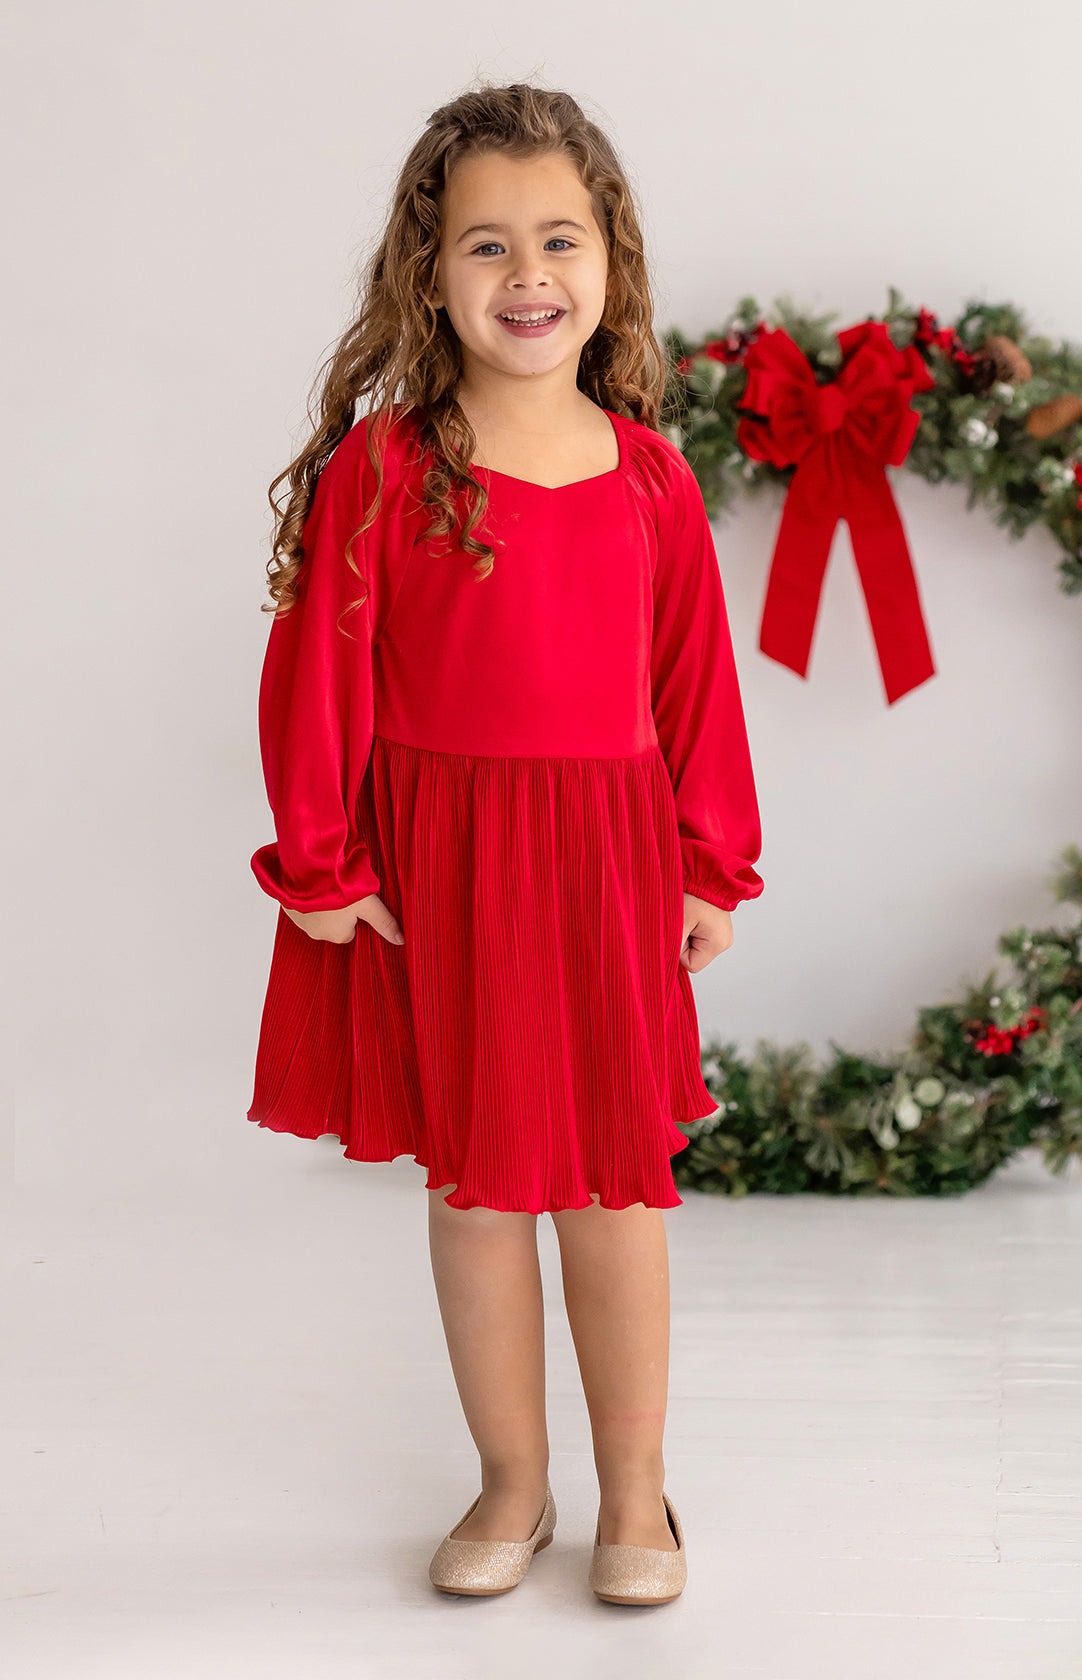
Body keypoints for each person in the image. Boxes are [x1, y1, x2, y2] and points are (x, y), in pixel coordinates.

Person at [246, 81, 764, 1606]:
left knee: (613, 1190)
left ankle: (639, 1498)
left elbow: (695, 682)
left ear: (609, 261)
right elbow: (318, 672)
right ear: (428, 272)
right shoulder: (387, 467)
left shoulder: (650, 475)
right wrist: (322, 863)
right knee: (475, 1192)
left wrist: (706, 860)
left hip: (604, 862)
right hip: (447, 871)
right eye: (485, 244)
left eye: (557, 239)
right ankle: (512, 1484)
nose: (526, 274)